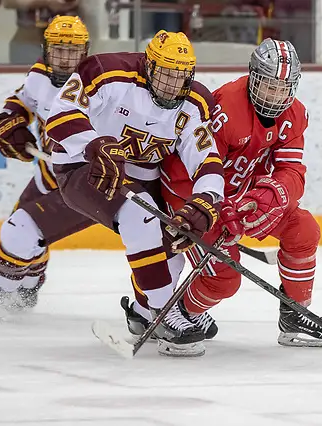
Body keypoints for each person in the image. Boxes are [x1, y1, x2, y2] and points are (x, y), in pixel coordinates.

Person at [124, 38, 322, 348]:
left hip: (243, 199)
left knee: (304, 229)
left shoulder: (295, 115)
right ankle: (171, 316)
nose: (276, 95)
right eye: (268, 86)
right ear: (253, 77)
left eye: (283, 88)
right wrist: (213, 208)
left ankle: (295, 314)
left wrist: (270, 195)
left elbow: (292, 172)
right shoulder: (224, 108)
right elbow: (190, 168)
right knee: (224, 278)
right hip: (194, 198)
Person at [45, 30, 225, 357]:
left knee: (172, 241)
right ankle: (165, 311)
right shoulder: (104, 72)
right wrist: (93, 144)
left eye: (181, 76)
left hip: (142, 176)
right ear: (149, 66)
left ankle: (144, 315)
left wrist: (206, 198)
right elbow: (58, 116)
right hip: (83, 167)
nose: (173, 85)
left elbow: (206, 158)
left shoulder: (196, 103)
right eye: (167, 74)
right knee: (140, 213)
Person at [0, 16, 94, 320]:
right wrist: (9, 118)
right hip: (48, 175)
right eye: (58, 50)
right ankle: (28, 285)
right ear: (45, 49)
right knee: (24, 231)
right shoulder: (39, 74)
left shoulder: (98, 85)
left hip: (86, 182)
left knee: (21, 229)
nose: (66, 58)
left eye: (73, 51)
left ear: (86, 53)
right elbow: (23, 100)